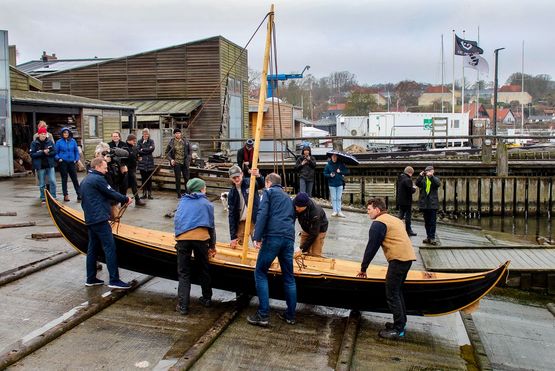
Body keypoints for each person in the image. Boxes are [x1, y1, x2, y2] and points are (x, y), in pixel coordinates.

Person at [356, 198, 417, 340]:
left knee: (392, 294)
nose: (368, 212)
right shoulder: (393, 219)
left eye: (369, 209)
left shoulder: (378, 224)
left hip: (398, 260)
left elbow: (371, 248)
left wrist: (363, 268)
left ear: (377, 209)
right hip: (407, 258)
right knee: (397, 292)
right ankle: (401, 323)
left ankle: (398, 330)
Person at [248, 173, 297, 327]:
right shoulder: (288, 198)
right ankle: (290, 315)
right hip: (288, 238)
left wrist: (257, 236)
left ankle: (263, 315)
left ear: (268, 183)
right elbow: (292, 217)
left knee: (260, 272)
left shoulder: (268, 193)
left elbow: (262, 214)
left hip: (273, 237)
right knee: (289, 277)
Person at [80, 157, 133, 289]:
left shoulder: (86, 179)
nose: (106, 170)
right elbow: (111, 192)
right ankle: (114, 280)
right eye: (104, 168)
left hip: (90, 219)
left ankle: (91, 278)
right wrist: (126, 199)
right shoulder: (98, 179)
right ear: (97, 167)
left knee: (92, 249)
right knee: (110, 248)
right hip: (100, 219)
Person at [174, 178, 216, 315]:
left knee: (184, 273)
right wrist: (212, 246)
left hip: (183, 239)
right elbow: (211, 227)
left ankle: (183, 306)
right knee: (203, 269)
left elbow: (178, 220)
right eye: (204, 187)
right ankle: (207, 298)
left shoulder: (183, 202)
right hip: (201, 239)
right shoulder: (207, 204)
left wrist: (178, 238)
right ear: (201, 189)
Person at [227, 164, 264, 249]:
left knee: (259, 244)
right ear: (230, 179)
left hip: (253, 220)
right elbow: (231, 215)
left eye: (238, 176)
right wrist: (233, 237)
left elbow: (261, 185)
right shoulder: (231, 194)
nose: (236, 179)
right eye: (234, 178)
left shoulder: (250, 182)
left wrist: (258, 176)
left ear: (242, 174)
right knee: (239, 247)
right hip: (241, 222)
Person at [293, 192, 328, 257]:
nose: (296, 208)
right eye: (296, 206)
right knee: (301, 254)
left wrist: (301, 248)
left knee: (315, 254)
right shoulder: (295, 203)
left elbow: (314, 234)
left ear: (305, 206)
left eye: (299, 207)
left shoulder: (315, 213)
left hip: (319, 230)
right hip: (306, 228)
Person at [30, 127, 57, 204]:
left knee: (53, 181)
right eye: (42, 134)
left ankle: (53, 197)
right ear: (38, 134)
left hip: (49, 165)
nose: (43, 135)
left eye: (45, 134)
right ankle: (43, 198)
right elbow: (32, 154)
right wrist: (42, 152)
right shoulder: (34, 143)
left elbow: (54, 152)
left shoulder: (50, 142)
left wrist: (48, 153)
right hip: (40, 166)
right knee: (42, 183)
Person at [415, 166, 441, 245]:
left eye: (430, 171)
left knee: (432, 222)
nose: (428, 173)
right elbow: (417, 183)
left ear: (433, 171)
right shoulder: (423, 180)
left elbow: (437, 184)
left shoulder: (435, 179)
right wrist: (420, 176)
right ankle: (428, 237)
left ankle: (432, 237)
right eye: (427, 171)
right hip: (425, 204)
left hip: (432, 204)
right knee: (426, 222)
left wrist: (431, 177)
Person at [55, 127, 81, 202]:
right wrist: (58, 158)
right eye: (64, 133)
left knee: (75, 179)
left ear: (69, 134)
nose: (66, 134)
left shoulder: (73, 141)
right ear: (62, 134)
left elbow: (76, 151)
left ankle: (79, 194)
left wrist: (76, 159)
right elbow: (55, 153)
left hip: (72, 162)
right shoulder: (59, 142)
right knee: (64, 179)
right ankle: (65, 195)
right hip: (63, 162)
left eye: (67, 133)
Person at [166, 128, 192, 198]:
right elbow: (167, 153)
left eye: (179, 133)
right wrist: (171, 160)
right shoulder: (171, 142)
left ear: (181, 134)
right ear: (174, 134)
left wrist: (188, 159)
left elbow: (190, 151)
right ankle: (179, 194)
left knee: (186, 178)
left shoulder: (185, 141)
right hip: (176, 163)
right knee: (178, 178)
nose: (178, 134)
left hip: (185, 162)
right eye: (176, 133)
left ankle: (188, 193)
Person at [123, 134, 146, 206]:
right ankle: (123, 201)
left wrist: (138, 158)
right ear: (129, 140)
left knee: (134, 184)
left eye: (135, 141)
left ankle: (137, 200)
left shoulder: (135, 147)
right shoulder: (124, 147)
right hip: (126, 169)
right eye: (133, 141)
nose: (135, 142)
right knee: (124, 185)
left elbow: (137, 155)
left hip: (133, 169)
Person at [323, 153, 349, 217]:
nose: (334, 158)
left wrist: (340, 171)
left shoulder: (340, 164)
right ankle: (334, 211)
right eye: (333, 157)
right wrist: (330, 175)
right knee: (334, 198)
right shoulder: (328, 165)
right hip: (332, 184)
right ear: (331, 157)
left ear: (337, 157)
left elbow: (347, 171)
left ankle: (339, 211)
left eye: (335, 157)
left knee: (339, 198)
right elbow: (324, 173)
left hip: (339, 183)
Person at [397, 166, 417, 236]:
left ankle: (396, 229)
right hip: (406, 201)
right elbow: (410, 191)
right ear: (410, 173)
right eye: (412, 173)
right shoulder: (408, 180)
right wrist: (414, 188)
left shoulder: (400, 177)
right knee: (408, 216)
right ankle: (408, 230)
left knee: (401, 215)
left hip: (400, 200)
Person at [137, 128, 156, 199]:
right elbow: (138, 150)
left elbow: (152, 149)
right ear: (142, 134)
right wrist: (147, 150)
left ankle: (150, 194)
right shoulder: (139, 141)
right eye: (144, 134)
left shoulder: (151, 141)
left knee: (149, 179)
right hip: (142, 163)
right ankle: (144, 193)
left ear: (148, 134)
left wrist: (143, 149)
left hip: (150, 162)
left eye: (147, 134)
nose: (145, 135)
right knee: (143, 179)